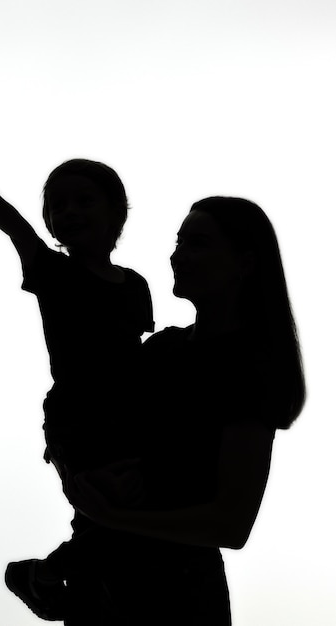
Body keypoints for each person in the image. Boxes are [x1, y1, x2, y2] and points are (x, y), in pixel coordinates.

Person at [63, 196, 307, 625]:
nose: (178, 255)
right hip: (106, 583)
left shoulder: (249, 371)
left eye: (198, 243)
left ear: (245, 263)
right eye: (179, 242)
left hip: (178, 596)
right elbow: (102, 433)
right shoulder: (161, 350)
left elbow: (231, 525)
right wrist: (83, 477)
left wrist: (112, 515)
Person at [0, 147, 154, 622]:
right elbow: (17, 230)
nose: (70, 212)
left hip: (130, 414)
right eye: (58, 205)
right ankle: (49, 578)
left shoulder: (135, 285)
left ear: (116, 213)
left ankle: (48, 578)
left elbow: (136, 354)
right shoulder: (51, 271)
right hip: (76, 418)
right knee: (105, 506)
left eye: (84, 200)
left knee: (130, 509)